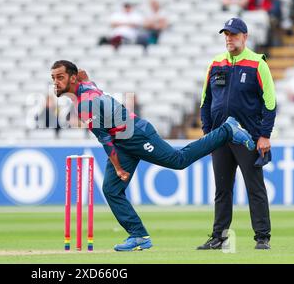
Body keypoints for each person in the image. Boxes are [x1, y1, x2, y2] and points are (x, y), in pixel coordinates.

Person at [50, 60, 255, 251]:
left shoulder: (85, 104)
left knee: (178, 161)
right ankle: (139, 236)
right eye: (53, 78)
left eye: (60, 77)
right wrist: (84, 77)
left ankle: (227, 130)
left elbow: (105, 140)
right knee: (111, 189)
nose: (55, 83)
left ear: (73, 78)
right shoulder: (86, 88)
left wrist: (119, 168)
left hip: (136, 135)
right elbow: (88, 79)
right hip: (123, 140)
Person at [199, 17, 276, 250]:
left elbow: (270, 103)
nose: (228, 38)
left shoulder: (258, 64)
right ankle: (218, 237)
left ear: (245, 36)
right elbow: (205, 102)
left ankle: (262, 237)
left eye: (233, 34)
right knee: (222, 189)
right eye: (226, 34)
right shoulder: (215, 63)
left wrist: (264, 135)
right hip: (220, 137)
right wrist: (208, 133)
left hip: (247, 137)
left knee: (255, 189)